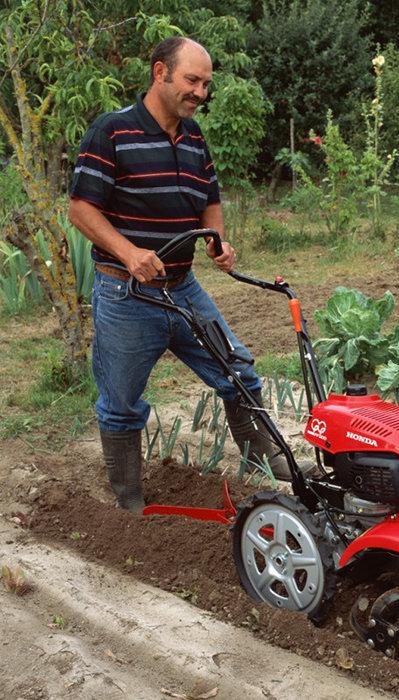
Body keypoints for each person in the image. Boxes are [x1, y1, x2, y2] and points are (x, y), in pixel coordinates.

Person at [68, 37, 289, 514]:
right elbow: (81, 207)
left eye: (206, 84)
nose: (201, 93)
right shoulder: (113, 131)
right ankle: (128, 503)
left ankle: (265, 459)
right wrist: (129, 253)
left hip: (183, 287)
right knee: (121, 403)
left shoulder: (193, 139)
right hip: (127, 293)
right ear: (160, 73)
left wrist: (218, 240)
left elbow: (210, 196)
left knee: (238, 371)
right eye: (192, 81)